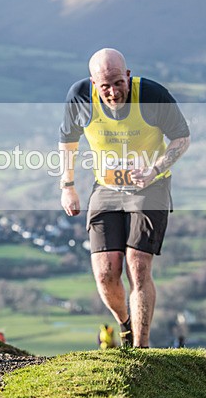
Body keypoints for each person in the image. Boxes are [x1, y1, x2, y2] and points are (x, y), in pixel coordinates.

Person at [59, 48, 190, 348]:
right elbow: (68, 141)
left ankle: (141, 348)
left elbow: (182, 138)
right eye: (105, 86)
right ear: (93, 83)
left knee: (138, 265)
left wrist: (154, 170)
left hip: (150, 186)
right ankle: (125, 324)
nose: (113, 92)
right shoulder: (80, 96)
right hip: (106, 187)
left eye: (119, 83)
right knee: (105, 273)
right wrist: (67, 186)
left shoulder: (152, 95)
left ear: (128, 75)